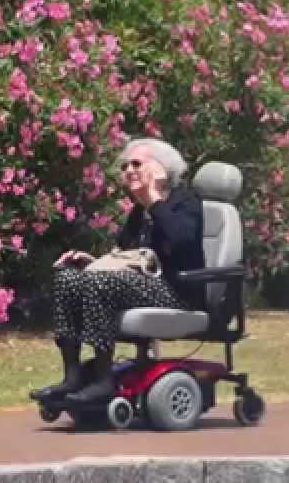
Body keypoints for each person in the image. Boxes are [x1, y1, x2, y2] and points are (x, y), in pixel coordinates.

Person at [29, 137, 206, 405]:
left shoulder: (186, 201)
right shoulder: (139, 211)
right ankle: (72, 377)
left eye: (136, 164)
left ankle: (103, 381)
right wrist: (91, 263)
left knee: (101, 284)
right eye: (124, 167)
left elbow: (181, 241)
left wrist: (154, 199)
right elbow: (125, 254)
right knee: (67, 277)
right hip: (143, 286)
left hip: (178, 290)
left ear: (160, 169)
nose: (128, 171)